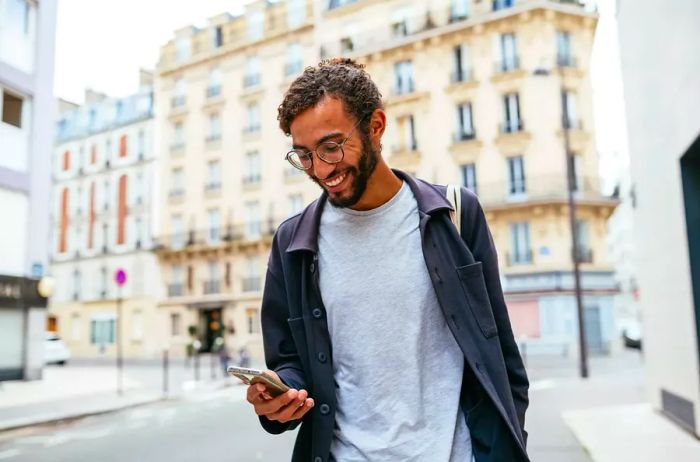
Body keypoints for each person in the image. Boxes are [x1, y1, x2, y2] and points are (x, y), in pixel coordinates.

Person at [245, 58, 529, 462]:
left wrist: (508, 445)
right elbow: (290, 364)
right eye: (304, 155)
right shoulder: (293, 242)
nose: (321, 169)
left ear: (375, 126)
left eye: (331, 146)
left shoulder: (455, 215)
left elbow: (499, 353)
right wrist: (276, 397)